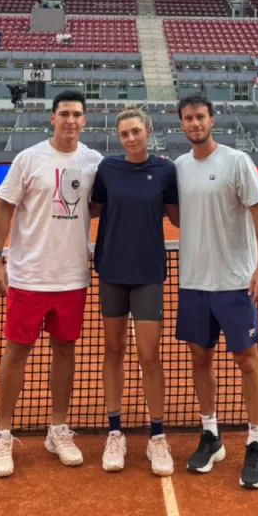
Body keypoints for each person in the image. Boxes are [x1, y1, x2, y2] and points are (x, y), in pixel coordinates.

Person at [0, 90, 102, 478]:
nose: (71, 120)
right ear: (52, 118)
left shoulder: (94, 162)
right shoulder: (28, 158)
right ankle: (2, 434)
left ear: (85, 120)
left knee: (65, 350)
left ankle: (58, 430)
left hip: (72, 276)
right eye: (64, 113)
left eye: (77, 114)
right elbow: (3, 209)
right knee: (16, 351)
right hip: (28, 276)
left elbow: (99, 205)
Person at [174, 93, 258, 490]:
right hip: (193, 282)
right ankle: (211, 435)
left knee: (247, 361)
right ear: (181, 124)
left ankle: (255, 442)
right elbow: (176, 217)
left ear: (212, 120)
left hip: (234, 283)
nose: (194, 123)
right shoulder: (178, 168)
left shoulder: (236, 161)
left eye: (200, 116)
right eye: (188, 118)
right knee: (200, 358)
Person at [90, 107, 178, 476]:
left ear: (148, 131)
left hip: (148, 274)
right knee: (113, 351)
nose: (131, 138)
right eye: (124, 133)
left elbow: (177, 217)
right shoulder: (107, 169)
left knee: (148, 355)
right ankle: (115, 433)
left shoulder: (166, 171)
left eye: (136, 131)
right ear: (118, 137)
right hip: (111, 271)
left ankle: (157, 436)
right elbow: (91, 209)